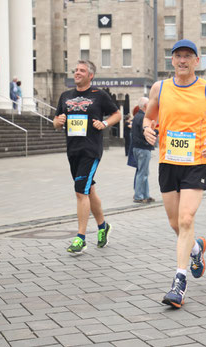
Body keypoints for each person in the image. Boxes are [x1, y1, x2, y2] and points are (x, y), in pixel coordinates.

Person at [142, 39, 206, 308]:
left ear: (196, 61)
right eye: (177, 56)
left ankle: (179, 283)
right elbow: (149, 117)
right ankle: (195, 249)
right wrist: (147, 128)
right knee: (175, 224)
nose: (182, 60)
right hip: (168, 161)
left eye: (187, 56)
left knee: (186, 217)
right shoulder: (161, 87)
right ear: (172, 60)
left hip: (197, 161)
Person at [53, 60, 122, 253]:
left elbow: (117, 114)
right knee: (89, 190)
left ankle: (80, 238)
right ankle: (103, 227)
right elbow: (55, 122)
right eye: (76, 70)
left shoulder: (99, 95)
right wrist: (58, 121)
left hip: (91, 150)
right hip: (72, 150)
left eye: (82, 70)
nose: (77, 73)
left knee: (80, 192)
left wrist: (105, 124)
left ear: (91, 75)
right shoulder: (65, 96)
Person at [131, 97, 155, 203]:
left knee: (144, 172)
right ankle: (138, 196)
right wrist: (155, 131)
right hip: (143, 147)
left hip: (138, 147)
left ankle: (145, 194)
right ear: (145, 106)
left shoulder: (137, 116)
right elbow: (145, 133)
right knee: (143, 173)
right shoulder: (143, 118)